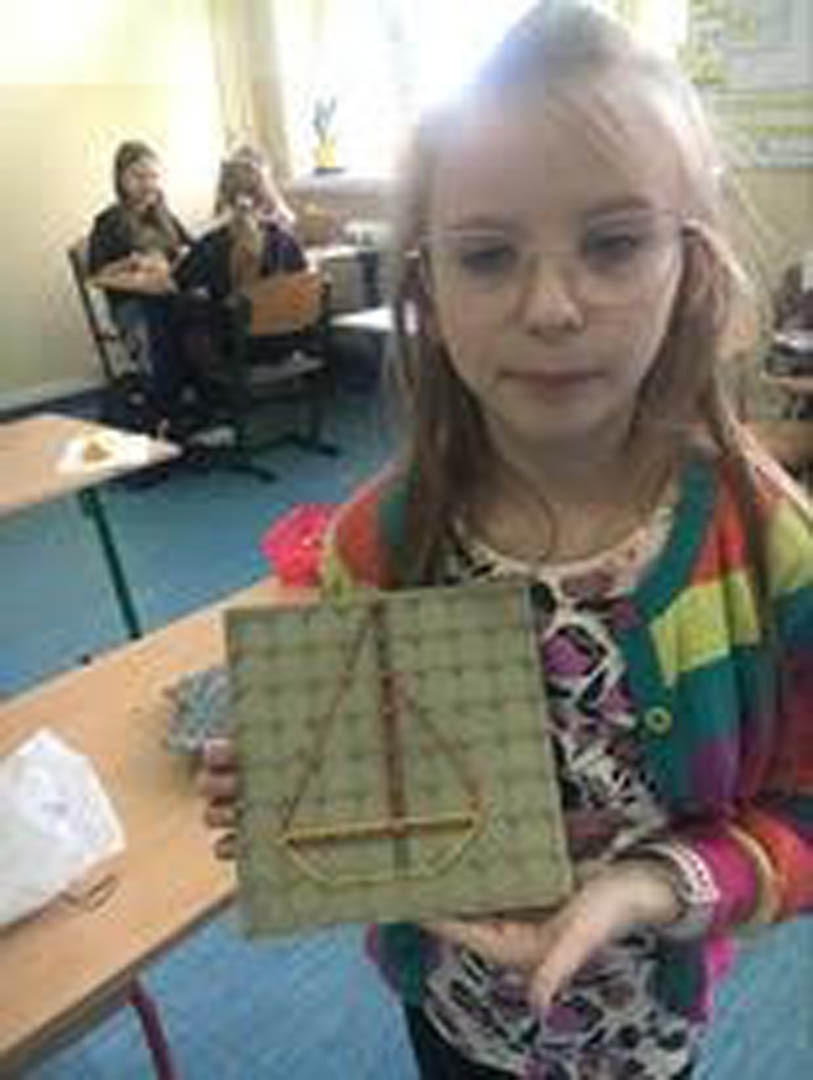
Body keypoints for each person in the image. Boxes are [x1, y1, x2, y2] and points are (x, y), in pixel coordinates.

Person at [198, 4, 813, 1077]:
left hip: (645, 1031)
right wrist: (306, 790)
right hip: (452, 1011)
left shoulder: (766, 541)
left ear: (689, 265)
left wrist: (652, 885)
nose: (552, 306)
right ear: (428, 290)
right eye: (486, 256)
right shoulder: (375, 546)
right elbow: (379, 790)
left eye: (613, 244)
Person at [88, 140, 197, 427]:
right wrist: (130, 263)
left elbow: (191, 250)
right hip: (133, 306)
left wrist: (181, 257)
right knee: (163, 320)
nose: (148, 184)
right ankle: (167, 411)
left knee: (200, 315)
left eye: (153, 176)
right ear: (121, 179)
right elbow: (97, 275)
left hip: (168, 296)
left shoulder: (163, 215)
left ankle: (198, 405)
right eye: (139, 176)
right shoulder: (109, 221)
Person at [173, 146, 305, 302]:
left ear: (225, 196)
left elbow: (178, 283)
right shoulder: (283, 241)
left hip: (227, 317)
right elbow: (303, 284)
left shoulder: (210, 245)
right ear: (266, 195)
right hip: (281, 316)